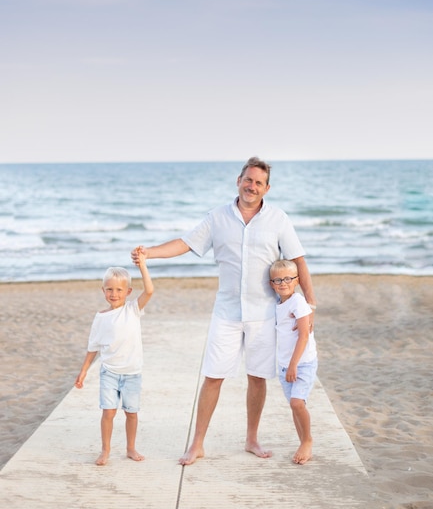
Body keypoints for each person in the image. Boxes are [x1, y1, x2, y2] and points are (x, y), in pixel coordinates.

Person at [131, 156, 316, 465]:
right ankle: (198, 444)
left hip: (264, 314)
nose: (252, 186)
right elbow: (186, 243)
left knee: (257, 378)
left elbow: (299, 262)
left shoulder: (278, 219)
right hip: (226, 313)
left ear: (266, 188)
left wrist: (309, 305)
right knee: (213, 377)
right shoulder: (217, 218)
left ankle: (252, 439)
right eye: (248, 179)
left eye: (258, 182)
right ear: (238, 181)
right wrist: (149, 252)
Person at [75, 252, 154, 466]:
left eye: (119, 289)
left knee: (131, 413)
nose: (114, 293)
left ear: (128, 292)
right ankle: (105, 450)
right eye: (109, 289)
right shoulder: (101, 317)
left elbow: (149, 290)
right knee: (108, 412)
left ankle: (130, 448)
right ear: (103, 291)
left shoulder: (133, 310)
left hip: (132, 373)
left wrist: (143, 265)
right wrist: (83, 371)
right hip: (109, 372)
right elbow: (93, 347)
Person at [270, 258, 318, 465]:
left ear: (297, 280)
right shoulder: (277, 304)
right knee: (294, 405)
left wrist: (293, 365)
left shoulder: (298, 302)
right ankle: (302, 442)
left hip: (302, 363)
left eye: (288, 278)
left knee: (298, 402)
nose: (283, 283)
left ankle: (307, 440)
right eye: (278, 280)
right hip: (284, 365)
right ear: (272, 284)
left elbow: (304, 335)